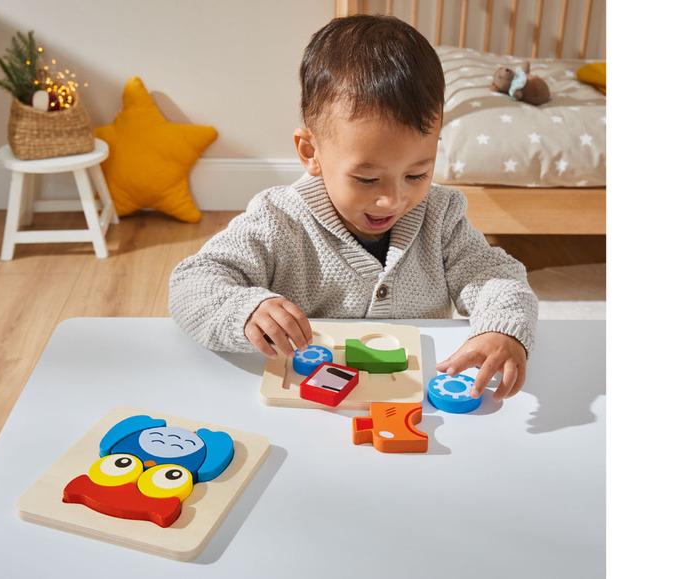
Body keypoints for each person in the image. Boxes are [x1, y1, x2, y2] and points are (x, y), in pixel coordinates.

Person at [169, 14, 538, 402]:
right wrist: (246, 310)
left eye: (417, 174)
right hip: (309, 406)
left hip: (417, 404)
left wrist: (502, 328)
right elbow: (193, 282)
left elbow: (495, 275)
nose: (393, 200)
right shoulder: (278, 219)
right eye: (366, 179)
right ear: (311, 153)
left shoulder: (441, 216)